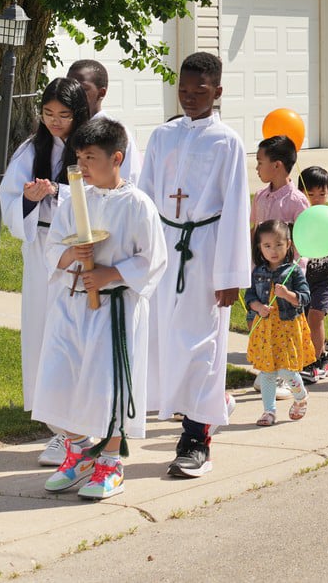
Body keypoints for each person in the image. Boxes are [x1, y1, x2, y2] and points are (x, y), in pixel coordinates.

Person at [35, 117, 168, 500]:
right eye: (78, 157)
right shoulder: (75, 199)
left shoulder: (138, 204)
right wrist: (70, 255)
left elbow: (153, 260)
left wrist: (111, 273)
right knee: (58, 380)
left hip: (114, 309)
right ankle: (78, 451)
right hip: (72, 303)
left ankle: (110, 461)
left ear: (117, 159)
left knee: (105, 385)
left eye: (90, 157)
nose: (82, 166)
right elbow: (51, 249)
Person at [140, 51, 251, 479]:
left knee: (203, 343)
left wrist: (230, 276)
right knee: (163, 339)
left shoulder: (227, 142)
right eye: (183, 90)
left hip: (204, 251)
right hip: (164, 244)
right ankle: (173, 410)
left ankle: (196, 435)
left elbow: (236, 210)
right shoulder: (162, 137)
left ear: (217, 92)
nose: (189, 98)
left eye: (199, 91)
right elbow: (145, 196)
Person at [0, 76, 89, 465]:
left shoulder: (88, 146)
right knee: (41, 330)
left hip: (75, 249)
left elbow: (102, 190)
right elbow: (8, 197)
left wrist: (57, 191)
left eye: (64, 115)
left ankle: (82, 422)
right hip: (40, 248)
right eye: (48, 113)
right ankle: (57, 428)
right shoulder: (30, 148)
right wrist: (28, 198)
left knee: (73, 333)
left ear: (78, 113)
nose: (55, 122)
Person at [245, 219, 314, 425]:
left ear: (288, 245)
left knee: (286, 370)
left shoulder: (293, 271)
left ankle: (301, 398)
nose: (273, 250)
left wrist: (288, 295)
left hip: (287, 327)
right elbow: (250, 297)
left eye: (278, 245)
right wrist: (258, 307)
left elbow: (305, 297)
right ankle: (269, 411)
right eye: (267, 246)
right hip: (266, 327)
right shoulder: (258, 272)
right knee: (267, 371)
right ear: (259, 247)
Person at [66, 59, 142, 183]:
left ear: (101, 93)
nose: (74, 94)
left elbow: (130, 179)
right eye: (70, 87)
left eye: (83, 89)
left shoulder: (115, 132)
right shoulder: (60, 128)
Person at [296, 165, 328, 382]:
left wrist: (323, 243)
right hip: (303, 275)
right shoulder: (300, 217)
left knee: (316, 315)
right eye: (310, 194)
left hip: (326, 274)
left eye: (322, 193)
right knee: (302, 318)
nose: (317, 198)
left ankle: (319, 359)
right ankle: (305, 357)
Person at [250, 135, 309, 231]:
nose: (257, 168)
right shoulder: (259, 197)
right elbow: (254, 229)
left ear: (276, 165)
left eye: (260, 163)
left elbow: (304, 237)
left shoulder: (298, 202)